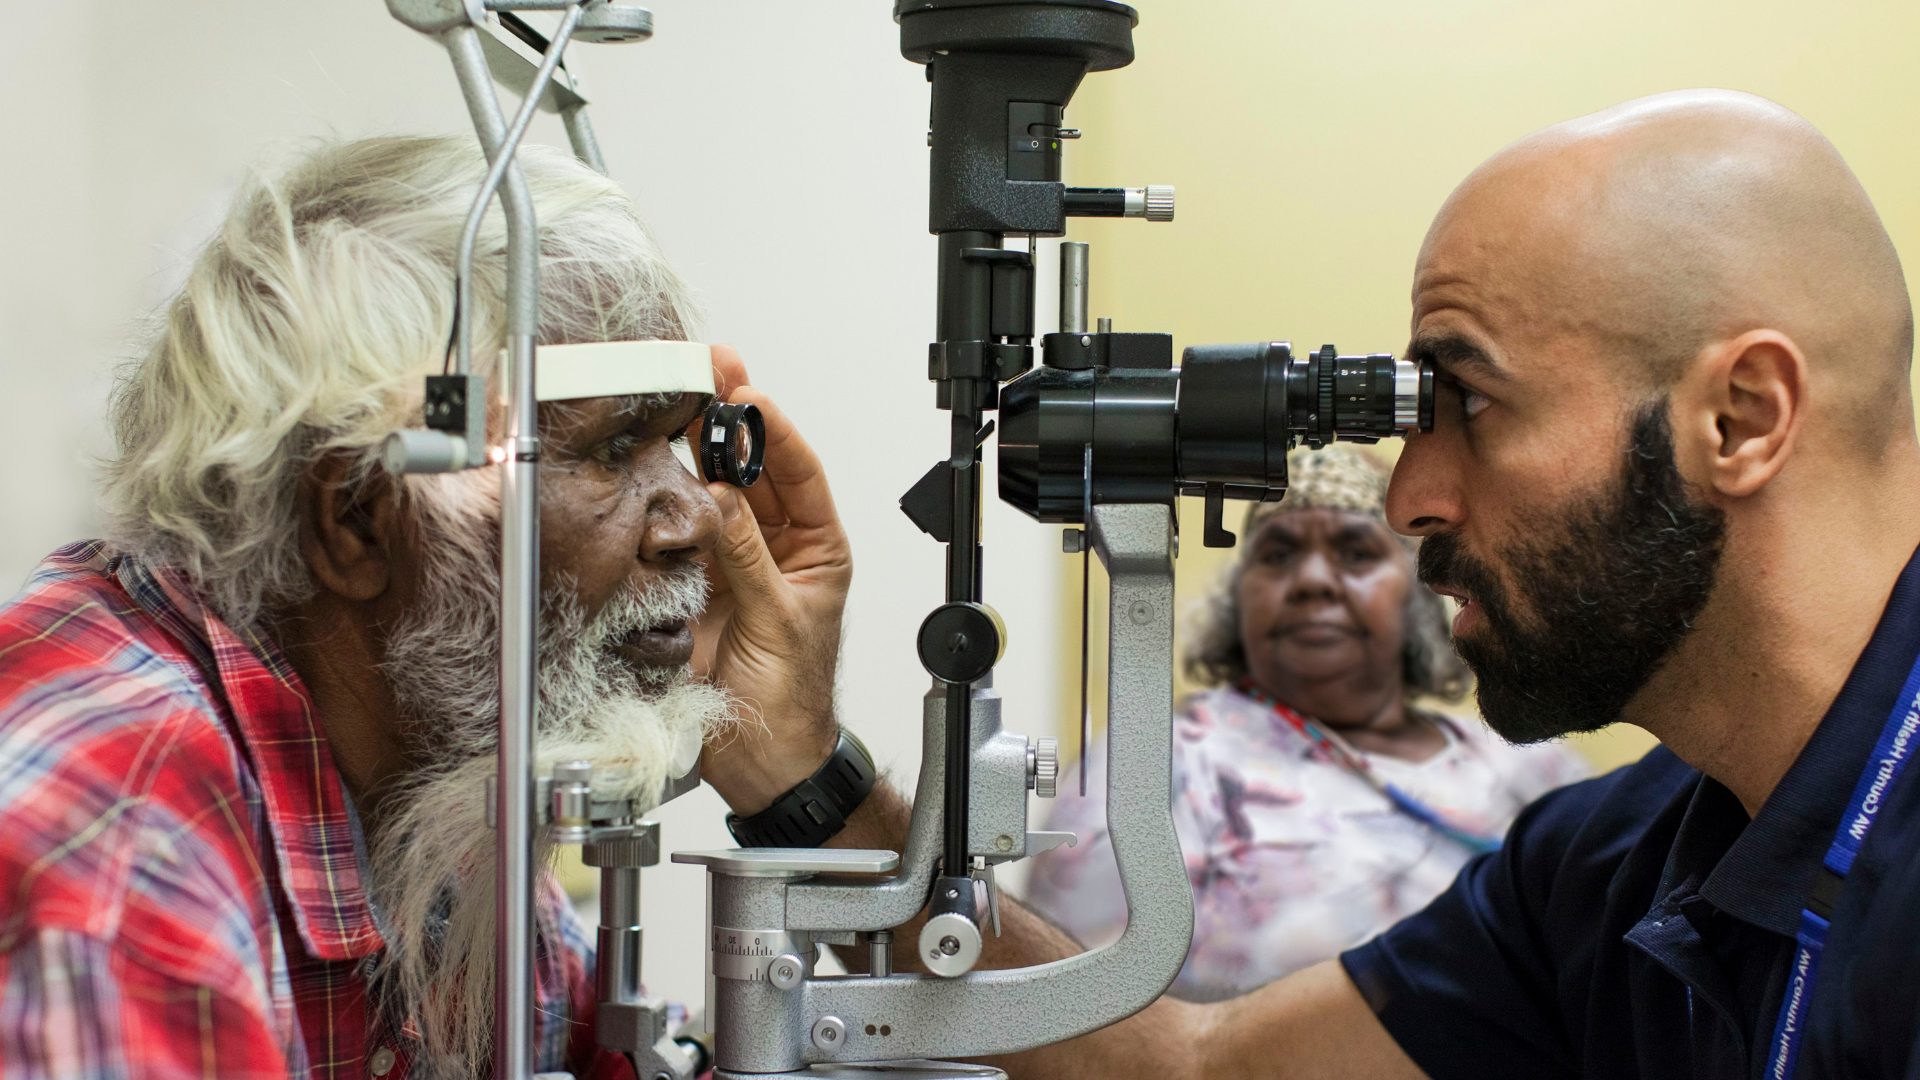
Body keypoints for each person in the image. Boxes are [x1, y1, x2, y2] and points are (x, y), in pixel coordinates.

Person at [799, 88, 1920, 1080]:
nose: (1407, 501)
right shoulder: (1606, 875)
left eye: (1470, 401)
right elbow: (1187, 1069)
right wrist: (794, 766)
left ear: (1741, 418)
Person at [0, 136, 853, 1079]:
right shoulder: (120, 869)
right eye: (615, 450)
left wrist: (803, 783)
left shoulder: (424, 775)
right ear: (361, 518)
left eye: (680, 444)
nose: (700, 519)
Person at [1025, 444, 1587, 1000]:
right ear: (1239, 598)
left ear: (1417, 597)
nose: (1313, 580)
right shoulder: (1152, 768)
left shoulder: (1531, 765)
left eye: (1356, 554)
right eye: (1278, 555)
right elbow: (1073, 1008)